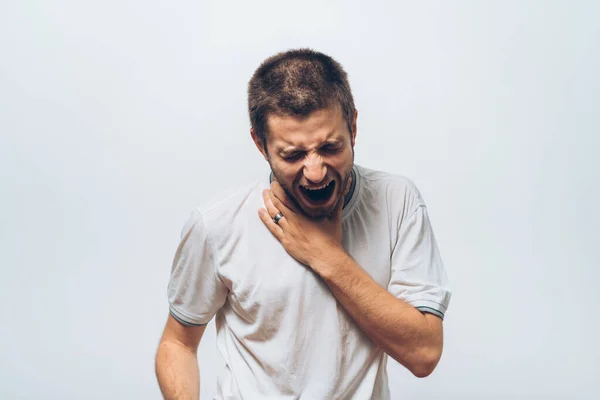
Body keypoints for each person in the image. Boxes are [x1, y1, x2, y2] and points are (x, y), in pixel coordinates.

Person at [155, 48, 451, 400]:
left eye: (329, 147)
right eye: (293, 154)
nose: (315, 172)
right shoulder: (217, 224)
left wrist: (327, 257)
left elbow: (424, 353)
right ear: (260, 144)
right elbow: (178, 343)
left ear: (353, 127)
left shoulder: (396, 201)